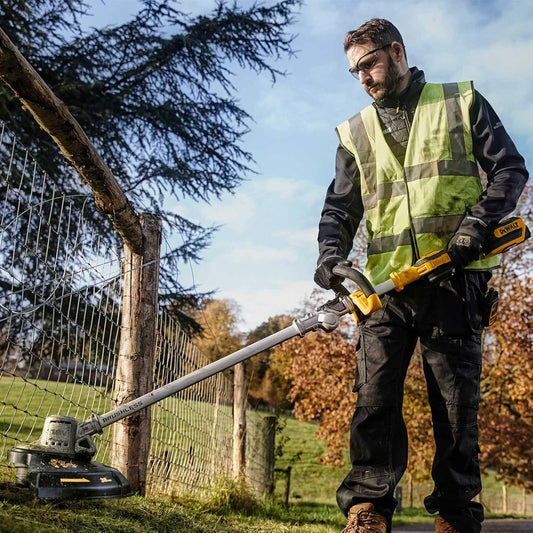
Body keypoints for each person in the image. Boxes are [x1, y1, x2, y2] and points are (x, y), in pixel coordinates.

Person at [313, 18, 528, 533]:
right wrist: (330, 257)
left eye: (368, 64)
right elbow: (340, 209)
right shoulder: (355, 133)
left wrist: (477, 225)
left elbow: (510, 169)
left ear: (396, 52)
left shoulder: (460, 102)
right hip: (384, 287)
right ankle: (368, 508)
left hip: (454, 279)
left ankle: (455, 513)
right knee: (374, 399)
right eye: (354, 71)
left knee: (455, 406)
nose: (363, 77)